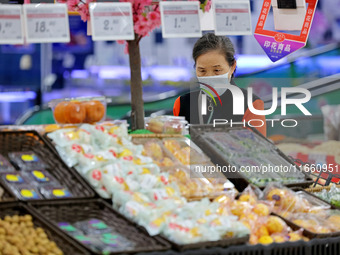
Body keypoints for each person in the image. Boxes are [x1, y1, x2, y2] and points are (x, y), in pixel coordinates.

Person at [173, 33, 267, 137]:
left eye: (217, 70)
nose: (209, 77)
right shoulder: (182, 104)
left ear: (232, 66)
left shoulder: (251, 104)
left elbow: (258, 149)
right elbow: (177, 147)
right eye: (202, 71)